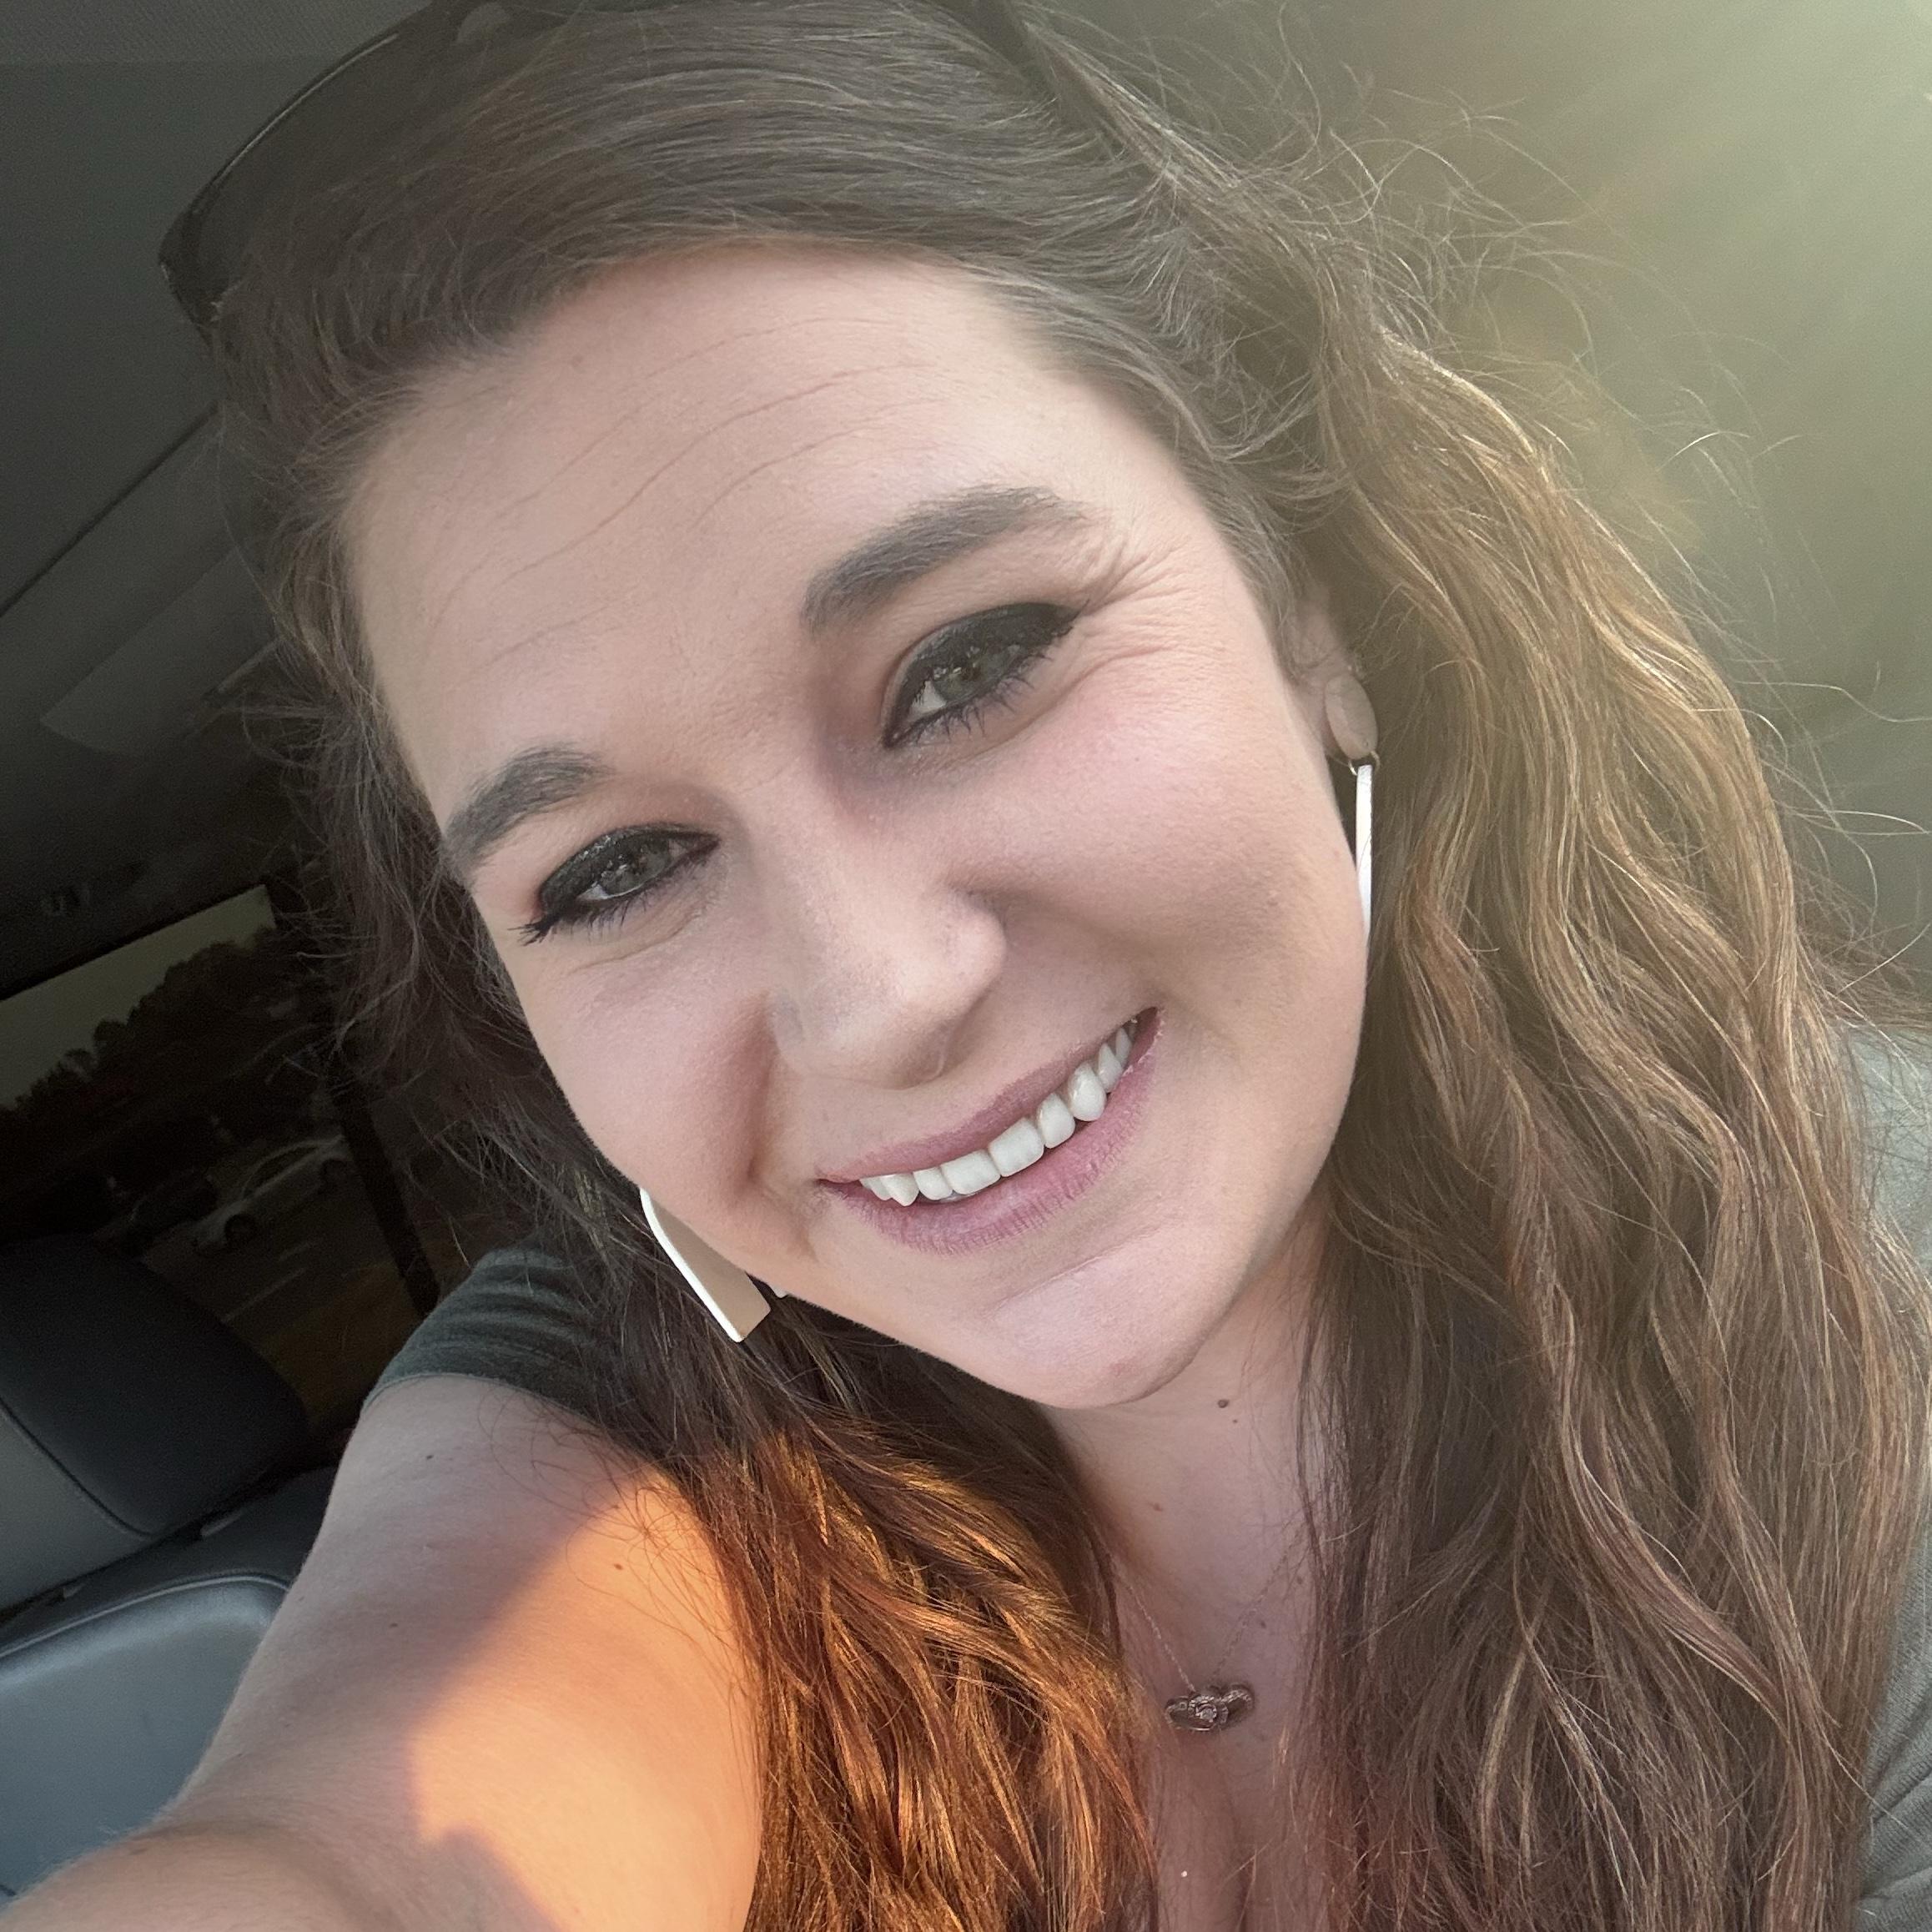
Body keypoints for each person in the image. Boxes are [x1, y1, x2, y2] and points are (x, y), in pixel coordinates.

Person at [11, 1, 1932, 1927]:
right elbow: (379, 1832)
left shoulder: (1877, 1339)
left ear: (1313, 615)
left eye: (971, 663)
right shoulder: (617, 1382)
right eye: (616, 869)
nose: (879, 993)